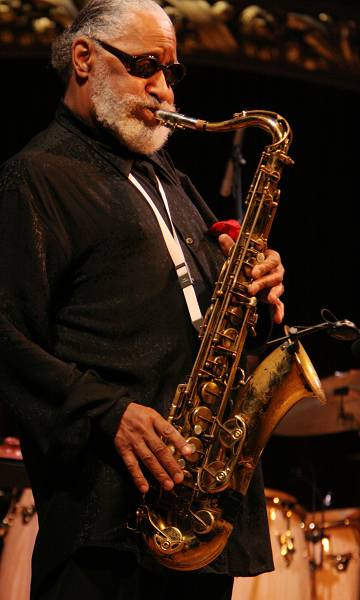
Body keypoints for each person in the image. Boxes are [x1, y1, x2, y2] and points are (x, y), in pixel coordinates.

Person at [0, 1, 286, 598]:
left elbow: (214, 309)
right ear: (84, 59)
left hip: (196, 520)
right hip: (104, 530)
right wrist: (108, 413)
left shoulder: (164, 173)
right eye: (145, 66)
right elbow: (6, 341)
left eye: (171, 71)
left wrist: (258, 290)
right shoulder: (33, 176)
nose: (163, 90)